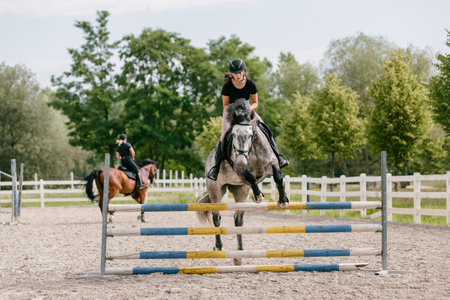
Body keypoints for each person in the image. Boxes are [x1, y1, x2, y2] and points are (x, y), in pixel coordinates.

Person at [207, 58, 289, 181]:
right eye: (235, 73)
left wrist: (248, 110)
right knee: (224, 137)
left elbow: (255, 103)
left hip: (247, 111)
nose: (238, 75)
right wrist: (234, 111)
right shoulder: (227, 86)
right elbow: (225, 105)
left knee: (265, 128)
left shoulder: (250, 84)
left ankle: (278, 157)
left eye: (240, 72)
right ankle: (216, 168)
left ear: (244, 71)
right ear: (231, 74)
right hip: (231, 113)